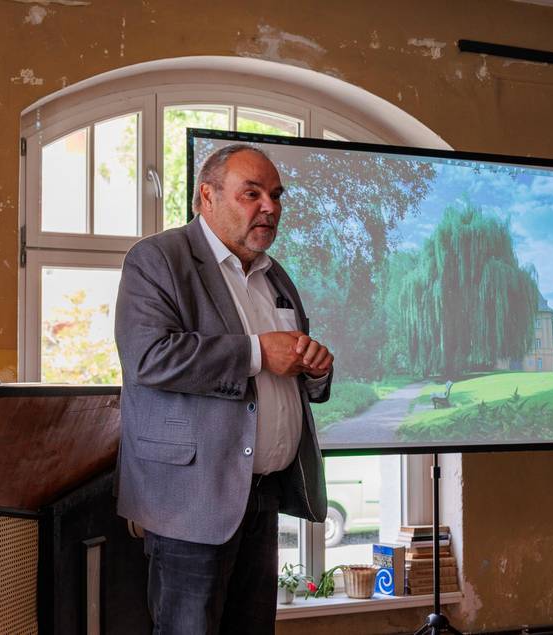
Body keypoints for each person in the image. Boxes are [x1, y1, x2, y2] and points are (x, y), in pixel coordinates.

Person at [114, 143, 333, 635]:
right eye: (251, 193)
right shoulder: (158, 260)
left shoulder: (274, 275)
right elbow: (149, 357)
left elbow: (287, 370)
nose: (270, 207)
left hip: (261, 496)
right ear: (206, 197)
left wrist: (314, 368)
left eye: (275, 195)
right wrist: (258, 352)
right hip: (190, 502)